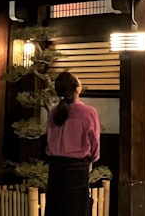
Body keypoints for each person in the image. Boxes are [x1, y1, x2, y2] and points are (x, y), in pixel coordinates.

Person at [45, 71, 100, 216]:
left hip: (55, 167)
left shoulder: (54, 112)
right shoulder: (89, 112)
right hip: (77, 168)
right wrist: (92, 160)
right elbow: (94, 141)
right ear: (77, 89)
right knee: (76, 210)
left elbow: (50, 139)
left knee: (55, 210)